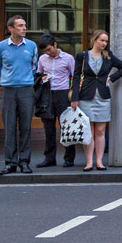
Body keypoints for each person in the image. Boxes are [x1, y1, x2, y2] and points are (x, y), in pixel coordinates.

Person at [70, 30, 122, 171]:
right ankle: (89, 162)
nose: (104, 43)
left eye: (106, 41)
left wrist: (111, 78)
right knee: (88, 130)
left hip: (103, 97)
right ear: (94, 40)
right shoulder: (82, 56)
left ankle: (99, 161)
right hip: (86, 96)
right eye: (101, 40)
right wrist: (74, 98)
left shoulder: (108, 56)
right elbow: (76, 76)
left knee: (101, 130)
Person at [0, 15, 38, 175]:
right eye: (20, 25)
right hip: (8, 90)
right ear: (10, 28)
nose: (24, 28)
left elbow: (34, 66)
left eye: (25, 25)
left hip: (26, 90)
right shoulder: (1, 47)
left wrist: (25, 79)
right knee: (10, 128)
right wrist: (8, 80)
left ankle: (24, 162)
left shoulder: (32, 46)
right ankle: (10, 163)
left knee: (26, 127)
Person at [35, 35, 77, 168]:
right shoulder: (42, 59)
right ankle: (49, 158)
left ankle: (69, 158)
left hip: (63, 93)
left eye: (49, 49)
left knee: (66, 127)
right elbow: (38, 74)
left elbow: (76, 77)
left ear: (55, 44)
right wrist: (42, 78)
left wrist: (74, 96)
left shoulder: (68, 58)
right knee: (48, 128)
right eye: (45, 51)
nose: (48, 53)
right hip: (47, 93)